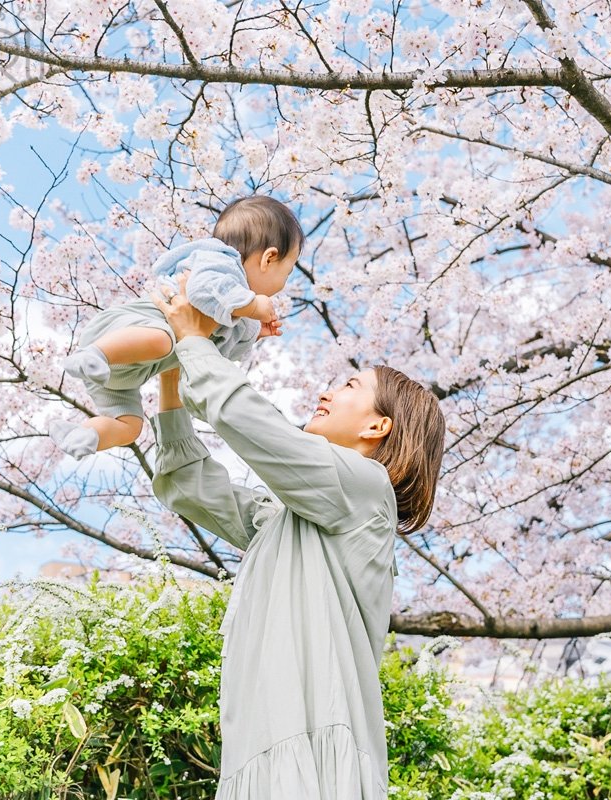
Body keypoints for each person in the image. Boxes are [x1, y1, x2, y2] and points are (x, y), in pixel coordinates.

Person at [148, 272, 446, 799]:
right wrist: (173, 374)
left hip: (312, 752)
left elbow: (257, 426)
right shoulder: (291, 517)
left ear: (378, 427)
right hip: (265, 750)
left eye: (350, 387)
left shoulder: (364, 489)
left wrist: (196, 342)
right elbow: (192, 486)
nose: (327, 391)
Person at [49, 195, 304, 458]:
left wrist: (252, 335)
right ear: (269, 259)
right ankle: (93, 355)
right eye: (287, 272)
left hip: (125, 374)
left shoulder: (233, 309)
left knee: (130, 427)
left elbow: (215, 357)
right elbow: (201, 289)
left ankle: (85, 435)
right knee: (162, 341)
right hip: (127, 331)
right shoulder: (220, 263)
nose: (283, 284)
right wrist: (251, 306)